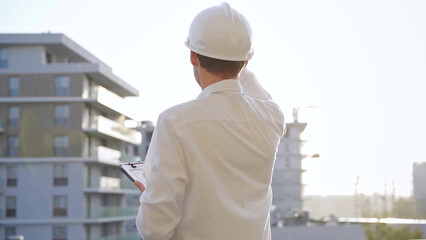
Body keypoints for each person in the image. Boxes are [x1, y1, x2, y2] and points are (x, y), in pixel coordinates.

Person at [134, 3, 285, 240]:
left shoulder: (174, 122)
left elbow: (154, 230)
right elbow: (256, 90)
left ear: (193, 56)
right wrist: (234, 55)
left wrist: (149, 195)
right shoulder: (272, 118)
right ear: (246, 63)